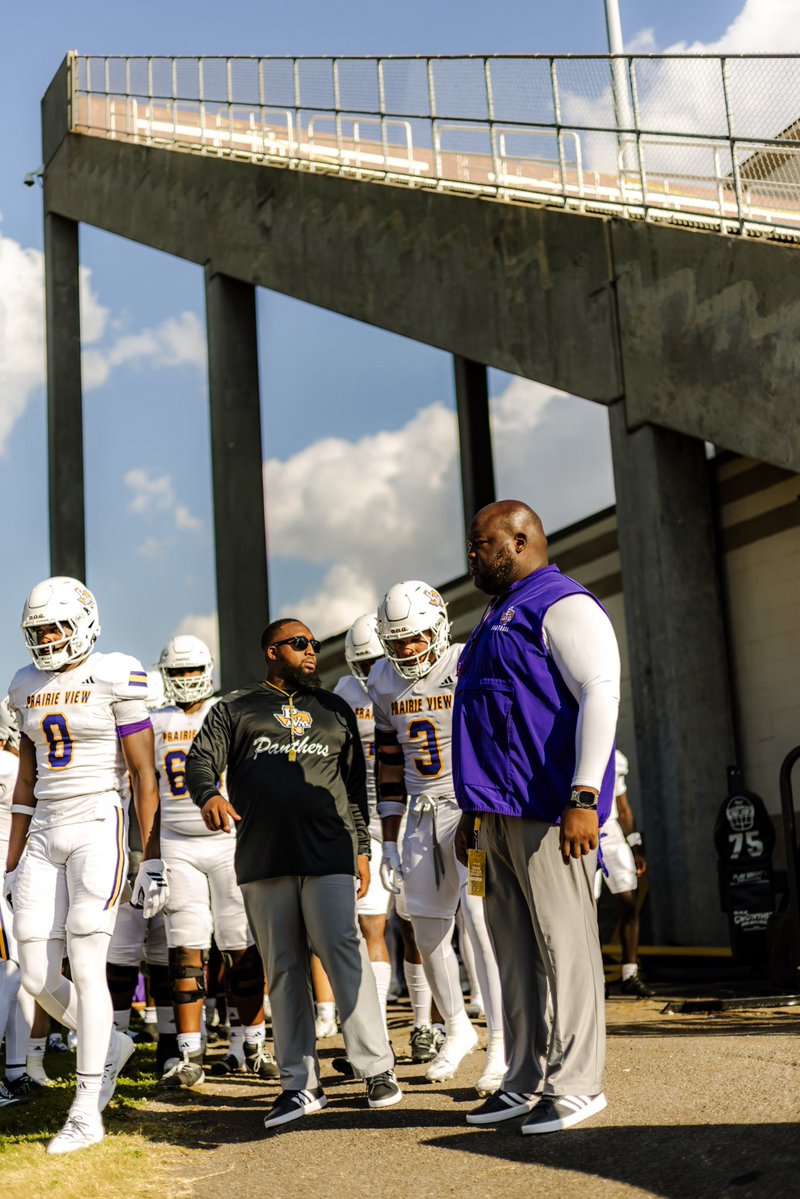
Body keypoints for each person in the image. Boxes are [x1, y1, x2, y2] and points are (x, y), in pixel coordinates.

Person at [185, 618, 402, 1130]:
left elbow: (355, 789)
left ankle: (376, 1069)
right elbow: (199, 764)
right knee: (282, 968)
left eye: (315, 645)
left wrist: (363, 850)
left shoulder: (335, 710)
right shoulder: (234, 709)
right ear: (271, 652)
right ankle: (299, 1085)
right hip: (263, 860)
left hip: (328, 855)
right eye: (299, 644)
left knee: (343, 952)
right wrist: (210, 795)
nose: (311, 653)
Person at [453, 501, 619, 1134]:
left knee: (565, 946)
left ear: (520, 540)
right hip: (493, 816)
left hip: (546, 812)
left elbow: (601, 691)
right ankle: (522, 1078)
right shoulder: (497, 614)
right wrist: (473, 810)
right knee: (512, 954)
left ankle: (578, 1084)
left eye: (482, 543)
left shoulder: (562, 602)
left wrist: (584, 798)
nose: (472, 554)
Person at [3, 576, 167, 1154]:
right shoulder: (25, 684)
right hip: (45, 825)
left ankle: (86, 1106)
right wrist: (12, 857)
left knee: (89, 959)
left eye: (55, 628)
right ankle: (113, 1043)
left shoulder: (114, 672)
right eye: (38, 631)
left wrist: (152, 858)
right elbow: (25, 779)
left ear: (84, 624)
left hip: (99, 819)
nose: (46, 640)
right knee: (34, 972)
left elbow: (145, 775)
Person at [370, 581, 506, 1093]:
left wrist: (485, 808)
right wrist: (388, 837)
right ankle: (457, 1029)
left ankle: (503, 1041)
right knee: (426, 931)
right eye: (397, 640)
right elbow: (388, 761)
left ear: (439, 626)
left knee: (480, 922)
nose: (407, 649)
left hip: (468, 809)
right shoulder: (382, 680)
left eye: (416, 637)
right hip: (420, 818)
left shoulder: (465, 660)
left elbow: (493, 741)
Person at [153, 635, 276, 1089]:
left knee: (239, 942)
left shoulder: (228, 710)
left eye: (190, 671)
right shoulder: (154, 721)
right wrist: (146, 857)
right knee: (185, 947)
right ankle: (188, 1050)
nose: (185, 680)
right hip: (176, 842)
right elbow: (146, 789)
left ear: (206, 670)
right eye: (177, 672)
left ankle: (253, 1044)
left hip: (228, 841)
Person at [596, 750, 652, 997]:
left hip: (610, 830)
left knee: (628, 902)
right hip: (581, 828)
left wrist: (636, 846)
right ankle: (596, 977)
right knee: (589, 908)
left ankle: (630, 974)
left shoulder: (615, 756)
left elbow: (624, 807)